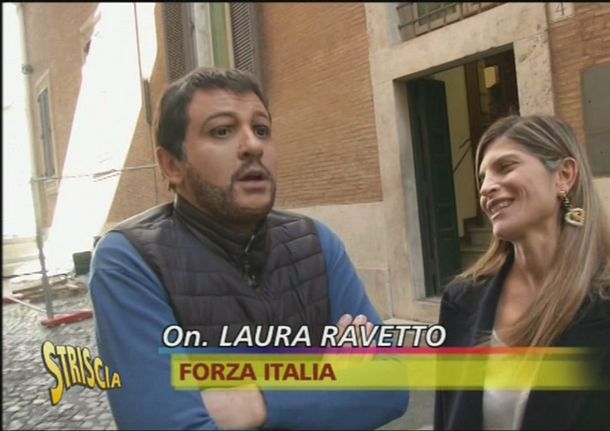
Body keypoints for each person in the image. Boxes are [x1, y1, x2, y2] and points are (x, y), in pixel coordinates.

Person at [89, 67, 408, 429]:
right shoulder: (131, 261)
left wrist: (255, 402)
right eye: (222, 131)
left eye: (261, 130)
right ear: (172, 165)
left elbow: (392, 385)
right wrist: (329, 385)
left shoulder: (316, 242)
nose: (253, 146)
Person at [433, 115, 610, 429]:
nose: (486, 188)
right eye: (483, 177)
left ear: (564, 175)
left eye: (505, 167)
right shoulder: (460, 300)